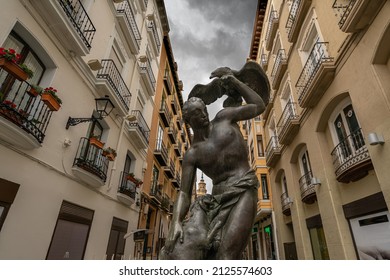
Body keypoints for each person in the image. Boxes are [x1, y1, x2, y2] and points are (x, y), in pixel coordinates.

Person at [160, 72, 266, 260]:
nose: (202, 115)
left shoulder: (224, 118)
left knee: (227, 255)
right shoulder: (193, 154)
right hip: (217, 198)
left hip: (244, 188)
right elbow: (184, 193)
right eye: (196, 113)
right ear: (188, 120)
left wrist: (235, 81)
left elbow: (258, 106)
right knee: (211, 253)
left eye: (203, 110)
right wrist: (176, 221)